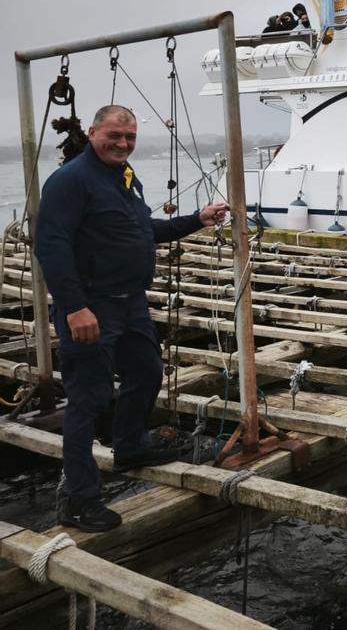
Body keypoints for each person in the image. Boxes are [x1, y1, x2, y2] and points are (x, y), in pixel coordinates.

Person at [35, 105, 228, 531]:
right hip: (91, 305)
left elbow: (143, 229)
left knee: (147, 373)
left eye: (129, 137)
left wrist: (196, 220)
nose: (122, 144)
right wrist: (74, 307)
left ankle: (130, 447)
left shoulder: (125, 178)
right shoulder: (70, 181)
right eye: (114, 136)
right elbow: (50, 247)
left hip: (131, 303)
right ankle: (79, 499)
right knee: (88, 399)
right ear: (92, 133)